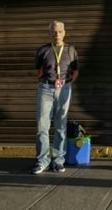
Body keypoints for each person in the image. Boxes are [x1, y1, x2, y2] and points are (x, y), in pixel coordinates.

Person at [31, 20, 79, 174]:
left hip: (64, 88)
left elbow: (75, 71)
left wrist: (65, 83)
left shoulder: (71, 50)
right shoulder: (42, 50)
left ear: (64, 32)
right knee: (42, 125)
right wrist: (48, 82)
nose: (57, 34)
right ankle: (42, 161)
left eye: (59, 31)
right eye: (54, 31)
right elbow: (38, 71)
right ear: (49, 33)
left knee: (61, 126)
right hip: (45, 88)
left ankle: (58, 160)